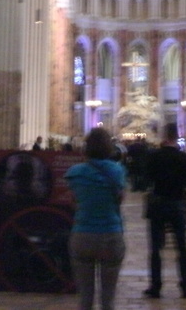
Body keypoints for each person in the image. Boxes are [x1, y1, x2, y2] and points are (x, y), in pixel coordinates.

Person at [64, 127, 126, 310]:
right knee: (108, 298)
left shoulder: (75, 172)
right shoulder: (116, 171)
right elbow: (120, 199)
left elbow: (73, 200)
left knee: (85, 297)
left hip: (82, 234)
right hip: (110, 234)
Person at [144, 124, 186, 299]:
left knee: (156, 248)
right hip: (177, 203)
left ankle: (156, 286)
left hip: (158, 203)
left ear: (164, 136)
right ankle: (185, 286)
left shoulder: (155, 156)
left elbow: (147, 177)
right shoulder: (183, 158)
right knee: (182, 246)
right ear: (177, 136)